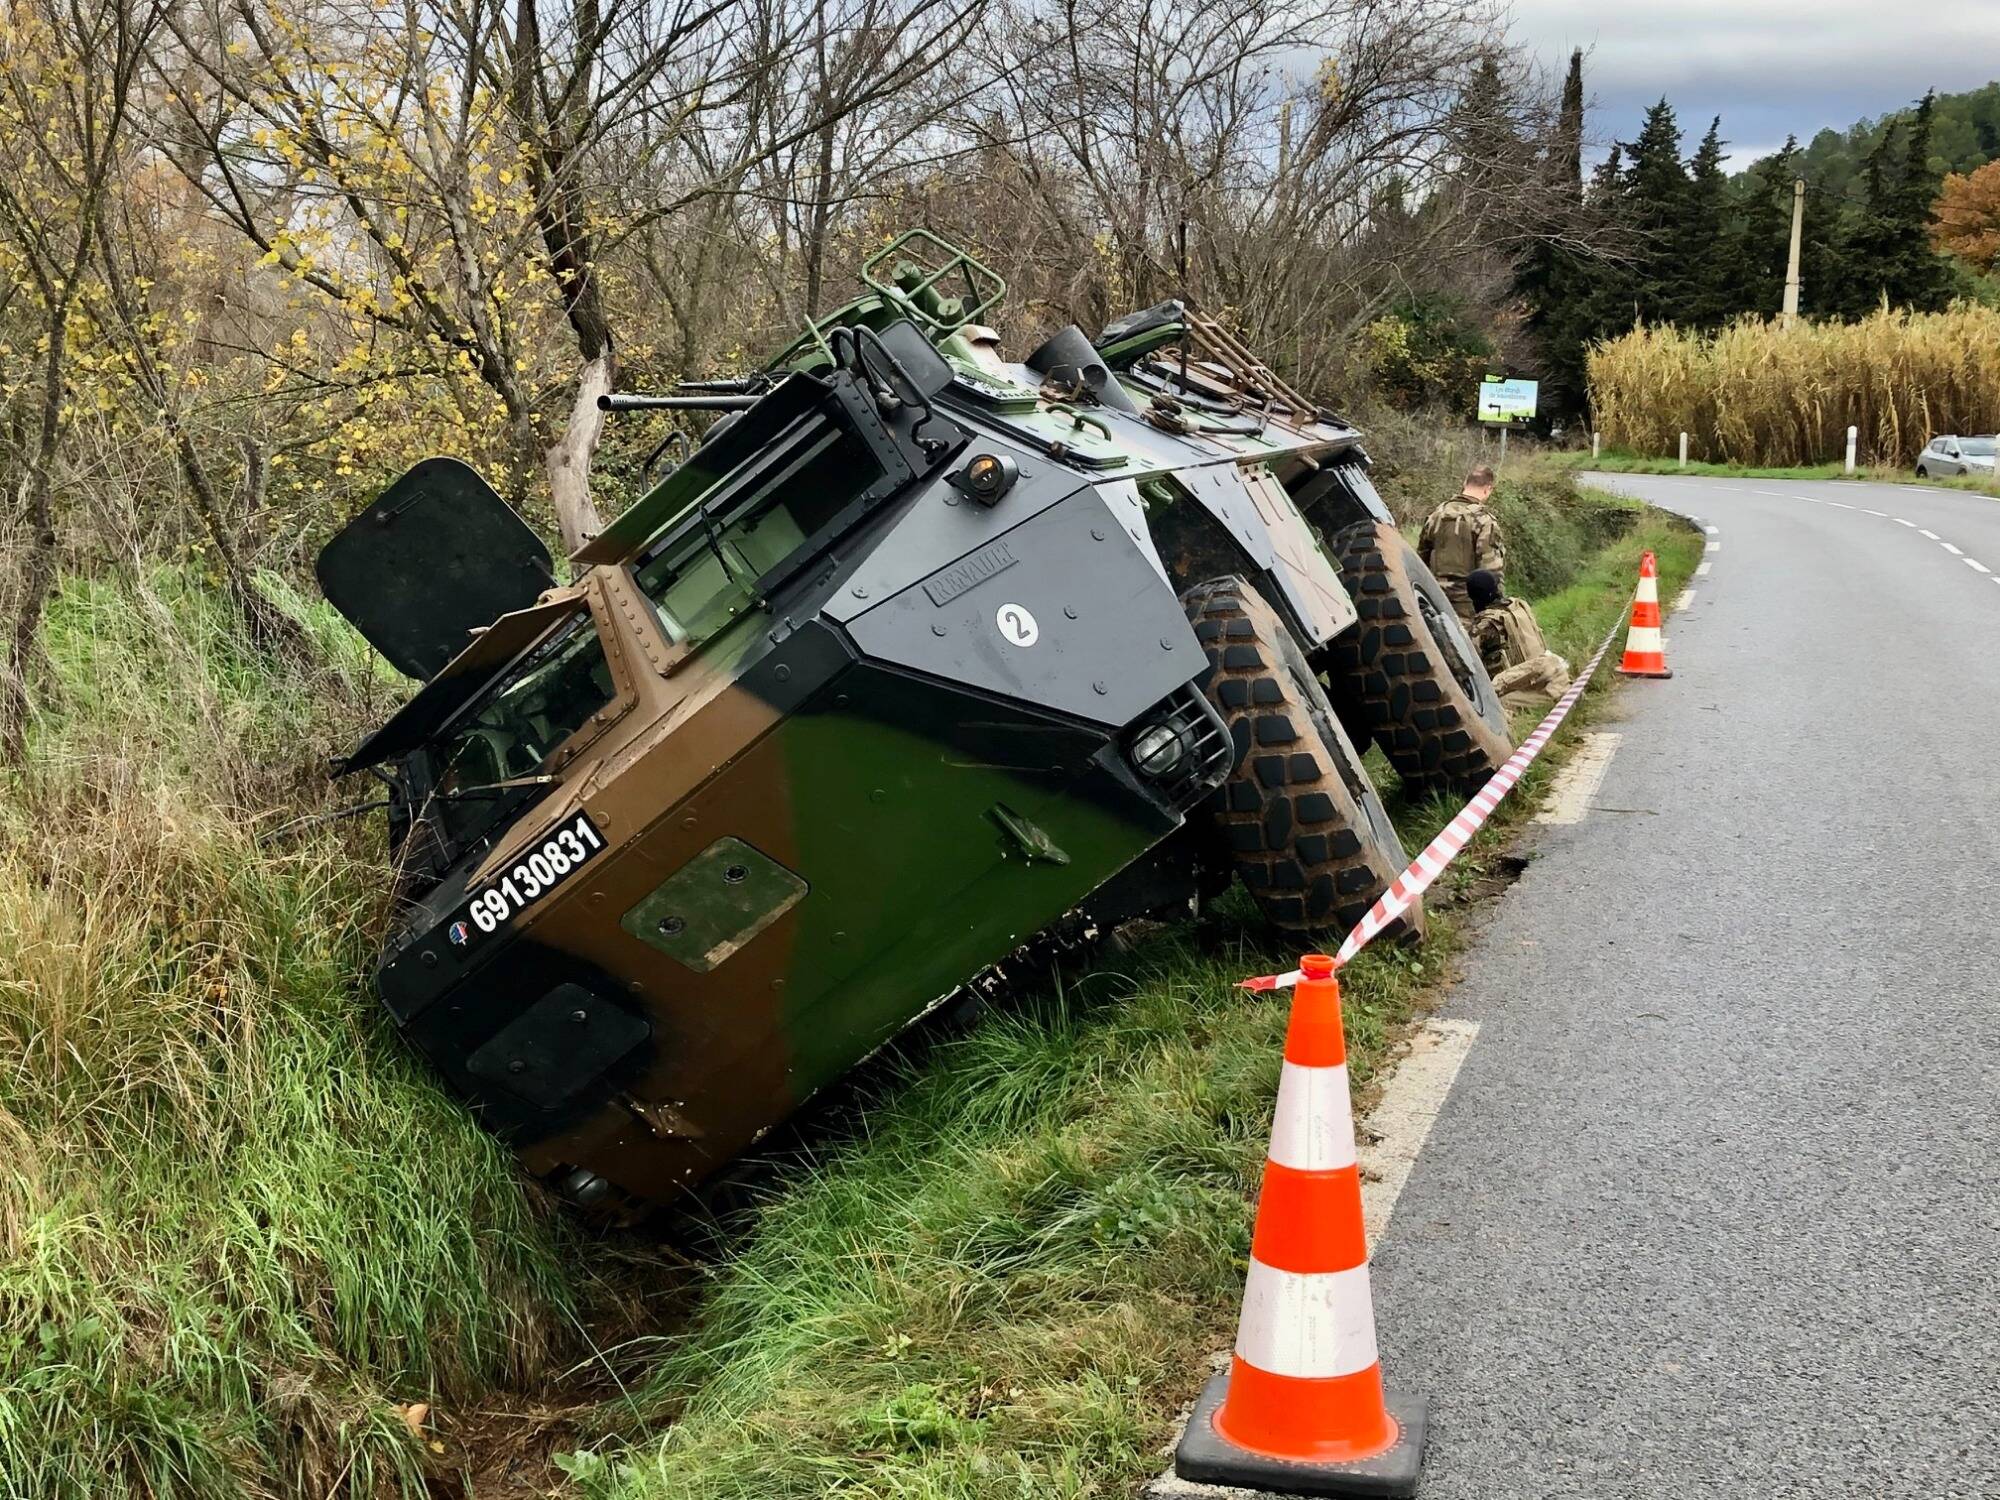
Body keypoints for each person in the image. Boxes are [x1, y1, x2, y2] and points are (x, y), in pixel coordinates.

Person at [1467, 568, 1572, 712]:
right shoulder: (1519, 606)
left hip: (1524, 687)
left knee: (1489, 706)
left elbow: (1468, 663)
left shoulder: (1485, 624)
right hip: (1554, 677)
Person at [1418, 464, 1505, 621]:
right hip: (1468, 607)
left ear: (1465, 484)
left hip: (1434, 602)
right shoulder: (1485, 521)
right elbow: (1491, 572)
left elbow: (1420, 561)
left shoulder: (1436, 515)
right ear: (1488, 489)